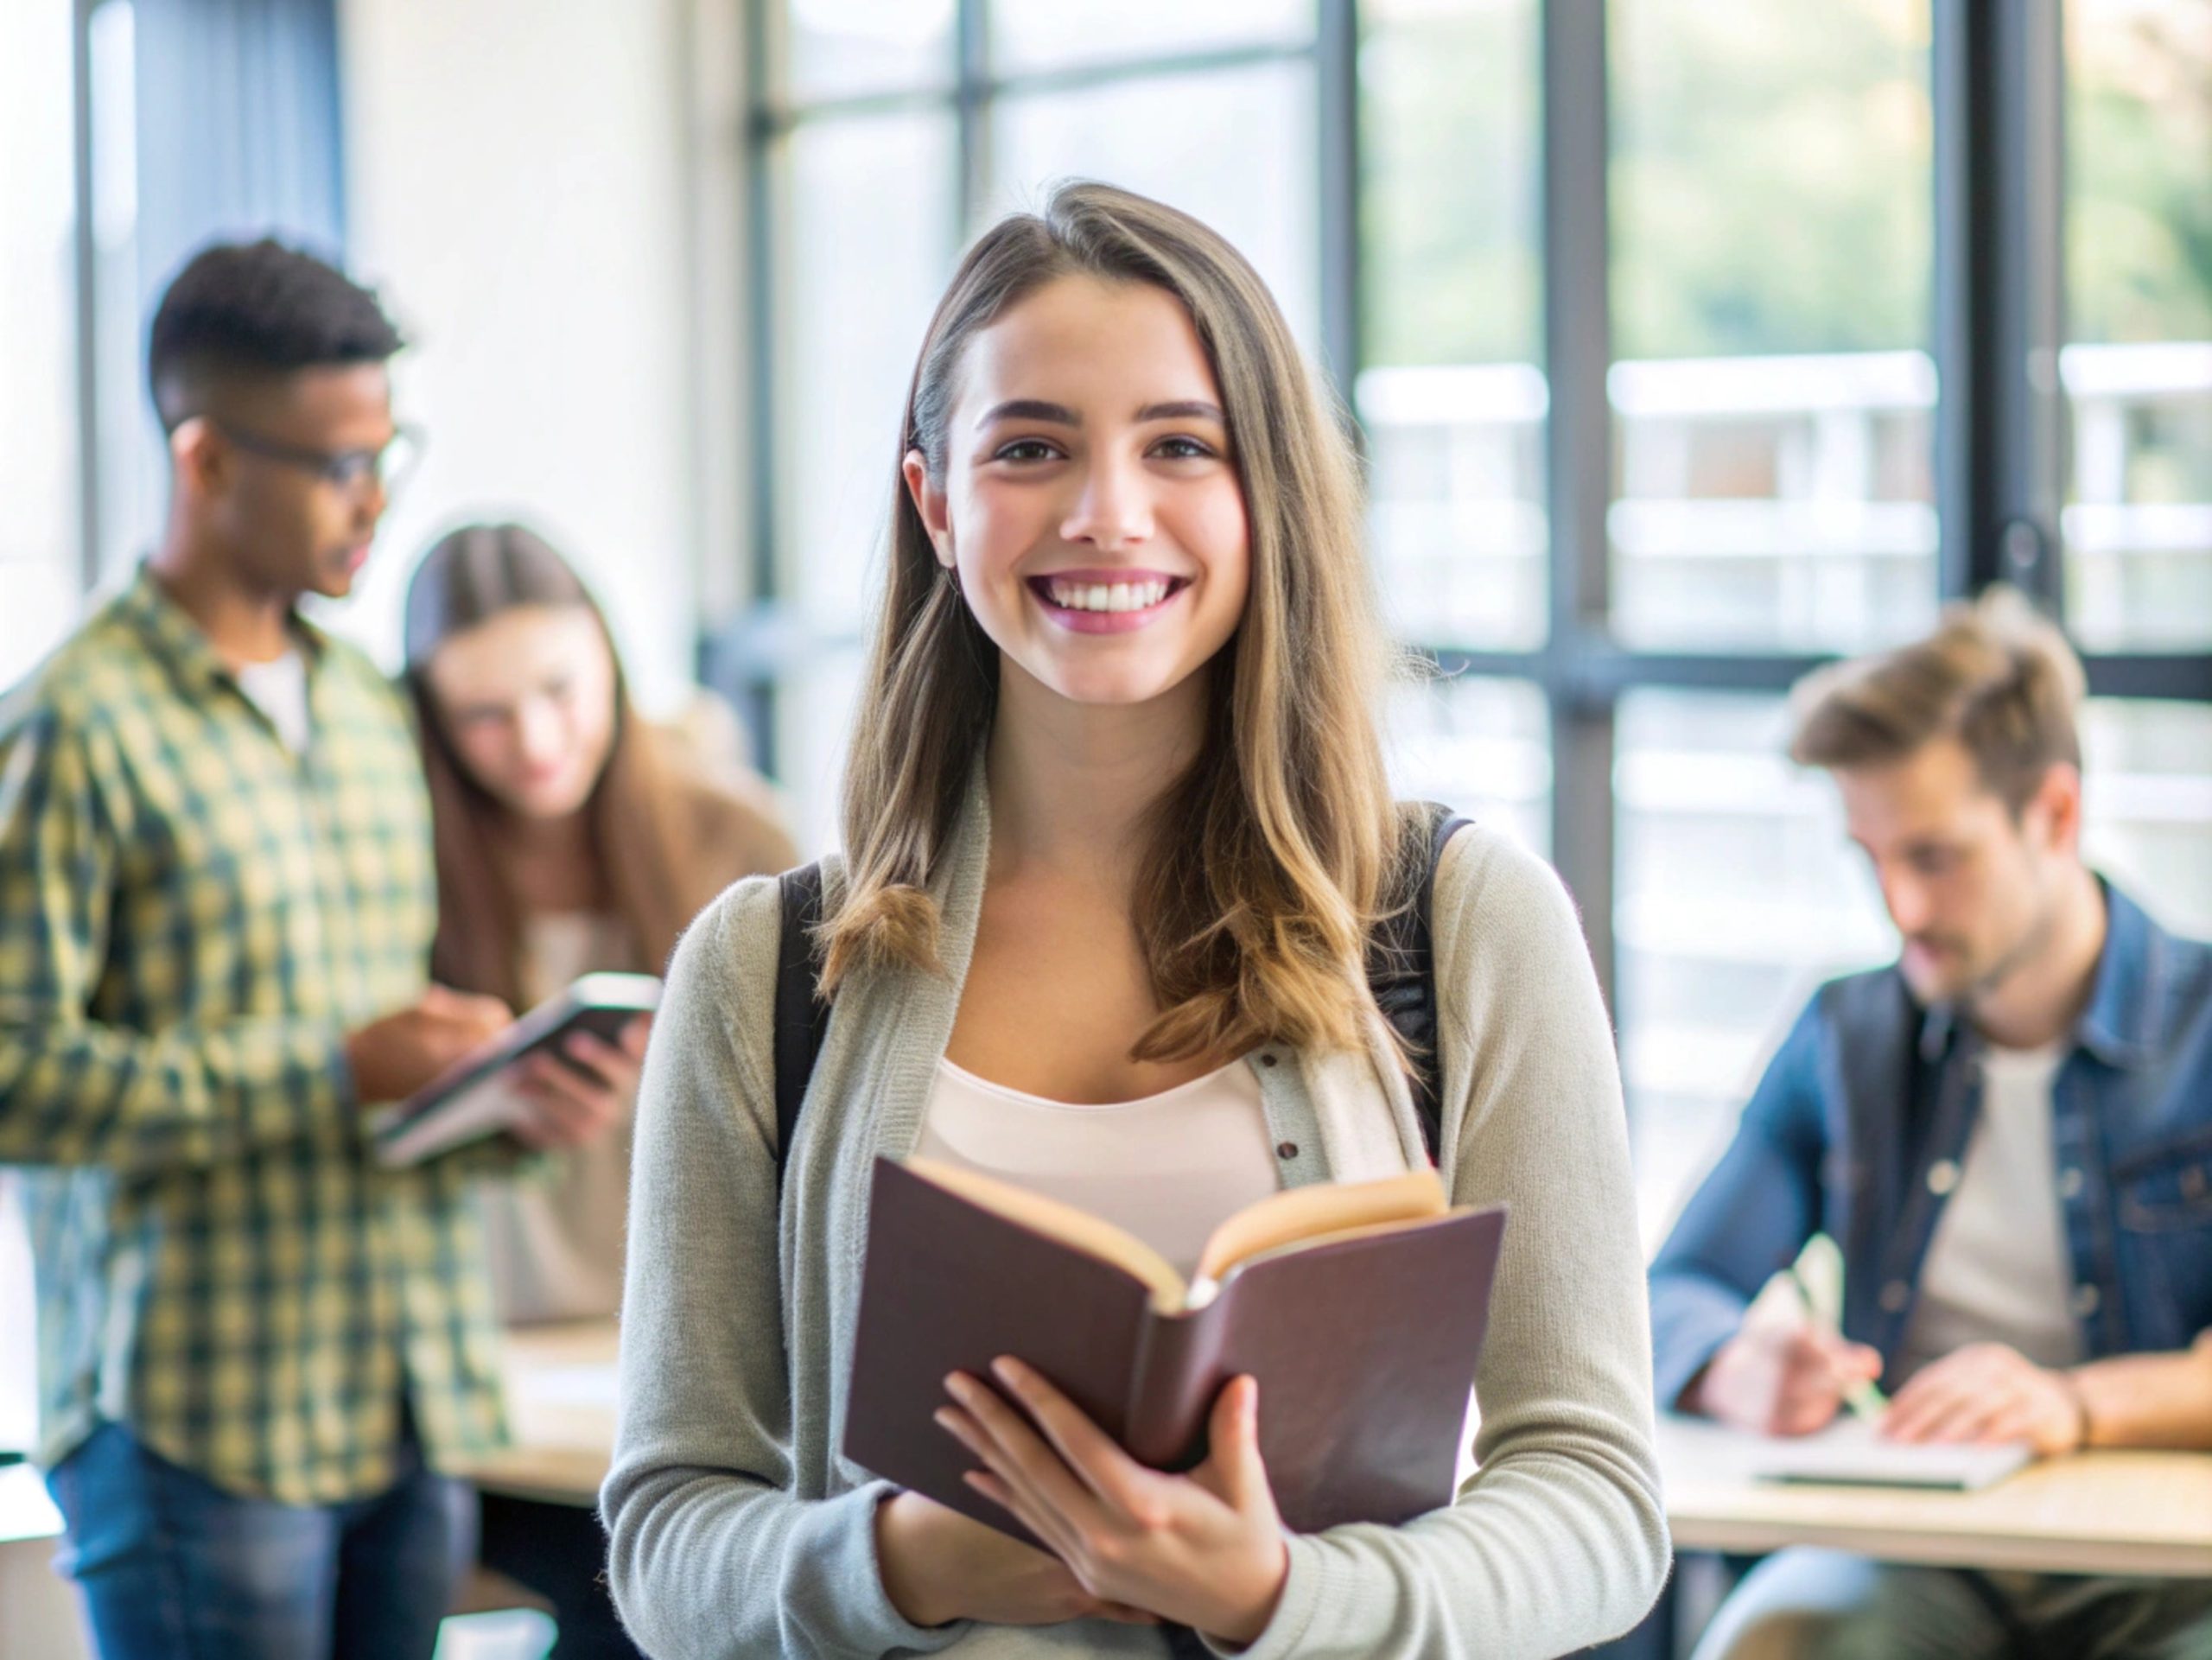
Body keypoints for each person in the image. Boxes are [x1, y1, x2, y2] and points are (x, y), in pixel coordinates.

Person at [601, 181, 1668, 1657]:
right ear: (934, 499)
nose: (1107, 513)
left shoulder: (1461, 920)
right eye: (1030, 447)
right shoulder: (764, 968)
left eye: (1181, 446)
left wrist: (1289, 1601)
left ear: (1266, 496)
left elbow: (1600, 1499)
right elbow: (666, 1537)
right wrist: (904, 1562)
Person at [0, 239, 620, 1660]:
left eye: (389, 446)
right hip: (197, 1423)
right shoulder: (71, 726)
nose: (377, 498)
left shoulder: (359, 707)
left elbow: (376, 1086)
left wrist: (504, 1111)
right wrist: (330, 1068)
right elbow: (14, 1075)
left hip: (405, 1394)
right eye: (339, 462)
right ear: (209, 462)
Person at [1649, 589, 2212, 1660]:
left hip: (2164, 1563)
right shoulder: (1844, 1034)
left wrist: (2073, 1404)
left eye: (1934, 857)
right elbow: (1671, 1290)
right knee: (1768, 1641)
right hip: (1913, 1547)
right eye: (1869, 858)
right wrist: (1732, 1365)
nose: (1898, 907)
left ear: (2054, 814)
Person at [401, 521, 798, 1657]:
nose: (533, 741)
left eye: (562, 691)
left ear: (614, 669)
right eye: (482, 714)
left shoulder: (733, 833)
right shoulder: (403, 855)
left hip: (670, 1357)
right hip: (487, 1373)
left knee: (673, 1573)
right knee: (611, 1578)